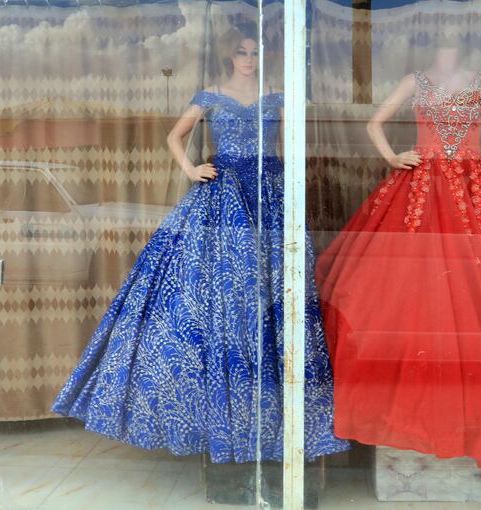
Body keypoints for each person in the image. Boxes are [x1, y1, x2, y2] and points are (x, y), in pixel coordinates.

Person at [52, 24, 348, 464]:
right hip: (223, 191)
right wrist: (192, 170)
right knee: (215, 293)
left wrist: (292, 188)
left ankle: (268, 417)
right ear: (230, 56)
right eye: (242, 52)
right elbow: (174, 136)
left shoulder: (278, 93)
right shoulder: (209, 94)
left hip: (268, 192)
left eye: (254, 51)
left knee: (273, 296)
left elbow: (288, 146)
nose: (248, 58)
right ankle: (219, 417)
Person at [316, 32, 481, 476]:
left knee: (478, 292)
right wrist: (392, 157)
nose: (448, 39)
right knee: (414, 287)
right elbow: (374, 124)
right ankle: (412, 408)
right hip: (423, 187)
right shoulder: (415, 80)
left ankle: (468, 410)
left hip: (474, 189)